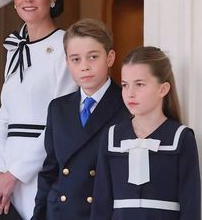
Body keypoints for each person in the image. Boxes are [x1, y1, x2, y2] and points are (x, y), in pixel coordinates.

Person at [0, 0, 81, 219]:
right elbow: (4, 118)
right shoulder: (15, 49)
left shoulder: (67, 46)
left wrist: (15, 174)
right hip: (5, 181)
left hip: (43, 172)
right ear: (14, 0)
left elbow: (61, 123)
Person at [31, 18, 130, 220]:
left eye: (93, 57)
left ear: (110, 57)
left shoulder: (127, 106)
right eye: (76, 59)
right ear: (67, 62)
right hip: (58, 213)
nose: (84, 66)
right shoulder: (58, 108)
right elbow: (50, 171)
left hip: (101, 213)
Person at [90, 46, 201, 220]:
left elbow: (190, 206)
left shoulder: (181, 138)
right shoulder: (111, 137)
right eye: (125, 85)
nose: (130, 94)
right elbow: (101, 206)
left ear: (162, 89)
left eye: (139, 84)